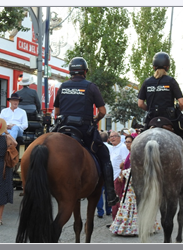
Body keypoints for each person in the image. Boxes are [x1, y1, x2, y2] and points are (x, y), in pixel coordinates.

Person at [53, 57, 119, 207]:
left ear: (71, 72)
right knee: (104, 155)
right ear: (85, 72)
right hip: (82, 130)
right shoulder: (91, 87)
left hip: (63, 128)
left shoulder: (63, 86)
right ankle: (110, 194)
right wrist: (96, 118)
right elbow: (102, 111)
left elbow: (57, 111)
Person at [137, 52, 183, 188]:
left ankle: (135, 175)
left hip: (152, 119)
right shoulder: (171, 81)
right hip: (169, 120)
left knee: (138, 144)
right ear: (168, 67)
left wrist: (149, 109)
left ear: (153, 67)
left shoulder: (147, 82)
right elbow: (181, 103)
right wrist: (176, 112)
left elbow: (140, 104)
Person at [108, 131, 129, 222]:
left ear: (120, 138)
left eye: (115, 136)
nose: (113, 138)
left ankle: (118, 221)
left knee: (118, 200)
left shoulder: (123, 148)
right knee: (114, 200)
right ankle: (115, 221)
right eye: (111, 137)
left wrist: (121, 175)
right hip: (112, 177)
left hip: (118, 178)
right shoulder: (113, 148)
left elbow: (125, 162)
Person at [96, 131, 112, 218]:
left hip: (99, 172)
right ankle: (108, 210)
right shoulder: (110, 147)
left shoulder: (96, 147)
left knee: (99, 193)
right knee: (108, 190)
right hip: (108, 171)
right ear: (107, 139)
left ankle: (100, 211)